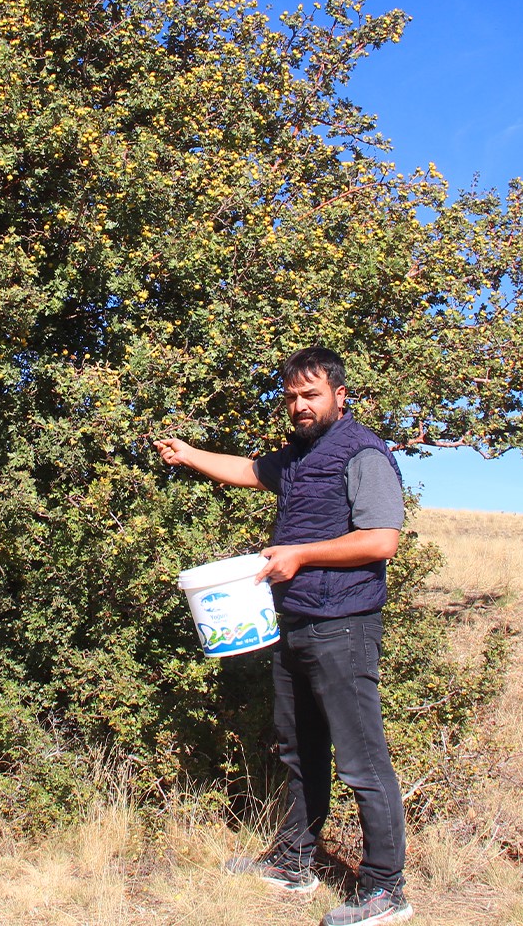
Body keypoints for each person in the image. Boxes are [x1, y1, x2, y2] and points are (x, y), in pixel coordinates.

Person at [154, 346, 412, 926]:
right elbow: (249, 470)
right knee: (299, 751)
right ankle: (294, 862)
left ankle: (385, 889)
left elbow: (380, 540)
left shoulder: (363, 453)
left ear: (339, 396)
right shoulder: (298, 457)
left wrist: (300, 554)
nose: (299, 405)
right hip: (293, 622)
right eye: (291, 396)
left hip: (344, 624)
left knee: (361, 758)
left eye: (310, 394)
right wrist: (190, 454)